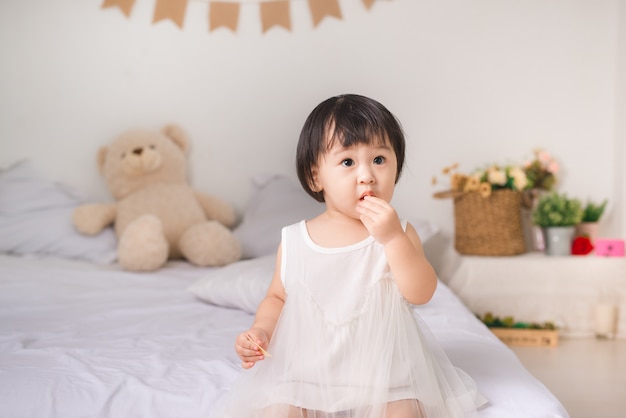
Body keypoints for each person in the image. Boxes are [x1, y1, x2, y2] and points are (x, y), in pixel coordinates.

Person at [215, 94, 486, 418]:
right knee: (277, 411)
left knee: (405, 413)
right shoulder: (296, 240)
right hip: (308, 376)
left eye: (380, 160)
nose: (367, 175)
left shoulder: (398, 233)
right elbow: (276, 298)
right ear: (316, 176)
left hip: (388, 377)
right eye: (348, 162)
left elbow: (421, 292)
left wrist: (392, 239)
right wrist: (261, 330)